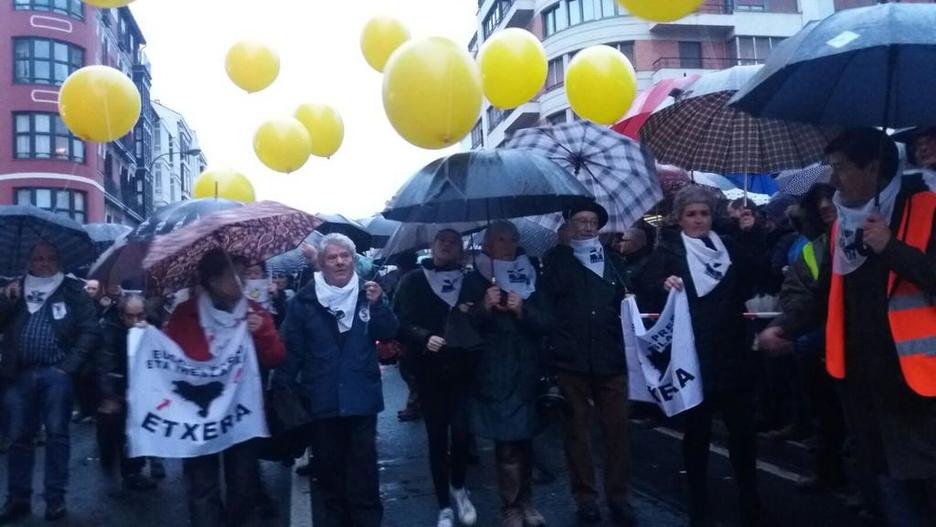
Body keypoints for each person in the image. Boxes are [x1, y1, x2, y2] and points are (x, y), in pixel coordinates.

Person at [760, 128, 936, 527]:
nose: (833, 181)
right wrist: (785, 328)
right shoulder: (844, 225)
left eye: (840, 169)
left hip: (923, 388)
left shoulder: (928, 204)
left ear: (873, 167)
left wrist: (890, 247)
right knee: (894, 493)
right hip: (868, 388)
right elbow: (826, 296)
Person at [643, 185, 768, 527]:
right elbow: (642, 287)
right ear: (679, 218)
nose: (698, 220)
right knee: (696, 438)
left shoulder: (729, 245)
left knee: (742, 437)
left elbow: (762, 275)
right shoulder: (667, 250)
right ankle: (699, 509)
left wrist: (752, 232)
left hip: (733, 355)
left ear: (712, 215)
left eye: (704, 213)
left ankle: (751, 506)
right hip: (692, 357)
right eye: (691, 214)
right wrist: (661, 284)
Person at [274, 234, 398, 527]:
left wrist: (379, 304)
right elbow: (292, 350)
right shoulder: (304, 301)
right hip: (323, 400)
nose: (340, 261)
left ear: (353, 260)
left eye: (345, 256)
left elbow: (390, 330)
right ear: (321, 263)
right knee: (331, 475)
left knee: (364, 475)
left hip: (362, 398)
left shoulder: (369, 293)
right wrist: (281, 388)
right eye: (332, 257)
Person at [164, 249, 286, 527]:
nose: (240, 280)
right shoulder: (186, 314)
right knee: (202, 488)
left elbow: (276, 357)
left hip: (242, 413)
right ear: (211, 280)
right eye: (232, 274)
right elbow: (175, 361)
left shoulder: (255, 312)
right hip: (199, 417)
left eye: (242, 273)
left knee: (243, 486)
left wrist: (262, 333)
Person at [541, 202, 634, 525]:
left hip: (611, 356)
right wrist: (563, 252)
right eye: (581, 220)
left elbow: (628, 298)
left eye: (593, 221)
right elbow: (548, 300)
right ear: (569, 224)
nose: (587, 227)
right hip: (571, 359)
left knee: (617, 430)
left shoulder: (614, 260)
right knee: (577, 432)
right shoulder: (555, 261)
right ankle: (586, 499)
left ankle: (618, 497)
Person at [0, 241, 98, 523]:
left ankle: (54, 500)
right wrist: (7, 298)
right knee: (19, 437)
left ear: (59, 261)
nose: (43, 263)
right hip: (19, 375)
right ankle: (18, 499)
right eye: (38, 258)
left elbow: (90, 331)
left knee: (57, 435)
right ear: (29, 261)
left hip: (56, 375)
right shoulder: (14, 287)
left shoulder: (72, 290)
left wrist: (67, 368)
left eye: (50, 258)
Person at [393, 230, 485, 527]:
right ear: (431, 246)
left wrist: (477, 308)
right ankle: (443, 505)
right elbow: (400, 322)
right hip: (430, 372)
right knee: (436, 438)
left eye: (453, 242)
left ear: (460, 248)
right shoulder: (413, 281)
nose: (446, 246)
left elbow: (484, 323)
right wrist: (423, 337)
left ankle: (458, 487)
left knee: (461, 434)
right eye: (441, 241)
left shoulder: (471, 280)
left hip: (463, 368)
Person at [469, 222, 551, 527]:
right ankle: (512, 507)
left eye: (512, 239)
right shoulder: (475, 276)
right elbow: (463, 326)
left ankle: (526, 501)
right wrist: (484, 306)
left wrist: (523, 311)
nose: (508, 244)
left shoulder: (530, 273)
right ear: (488, 243)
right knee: (506, 441)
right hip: (495, 369)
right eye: (501, 239)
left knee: (526, 437)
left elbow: (548, 321)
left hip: (529, 367)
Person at [96, 294, 159, 491]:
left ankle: (133, 471)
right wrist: (109, 395)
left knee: (137, 429)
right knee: (112, 430)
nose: (135, 321)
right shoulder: (109, 330)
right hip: (118, 383)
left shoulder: (152, 327)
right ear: (121, 316)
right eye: (130, 316)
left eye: (140, 316)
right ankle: (108, 459)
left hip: (142, 385)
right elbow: (104, 363)